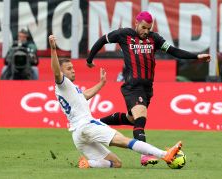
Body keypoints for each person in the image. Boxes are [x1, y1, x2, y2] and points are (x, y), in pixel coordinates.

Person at [86, 11, 210, 166]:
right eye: (143, 27)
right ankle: (144, 155)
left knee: (131, 119)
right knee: (141, 117)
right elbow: (102, 41)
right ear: (136, 23)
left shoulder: (155, 38)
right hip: (132, 85)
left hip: (147, 88)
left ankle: (95, 122)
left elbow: (173, 51)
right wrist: (90, 59)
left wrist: (196, 57)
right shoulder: (123, 34)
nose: (146, 31)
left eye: (148, 28)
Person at [49, 34, 182, 169]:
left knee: (116, 164)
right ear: (61, 72)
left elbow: (84, 95)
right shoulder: (62, 83)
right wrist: (53, 50)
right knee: (126, 141)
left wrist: (101, 83)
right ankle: (165, 154)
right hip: (86, 126)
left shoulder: (68, 89)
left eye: (72, 67)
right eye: (69, 69)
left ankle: (88, 164)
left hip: (78, 134)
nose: (73, 71)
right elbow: (56, 72)